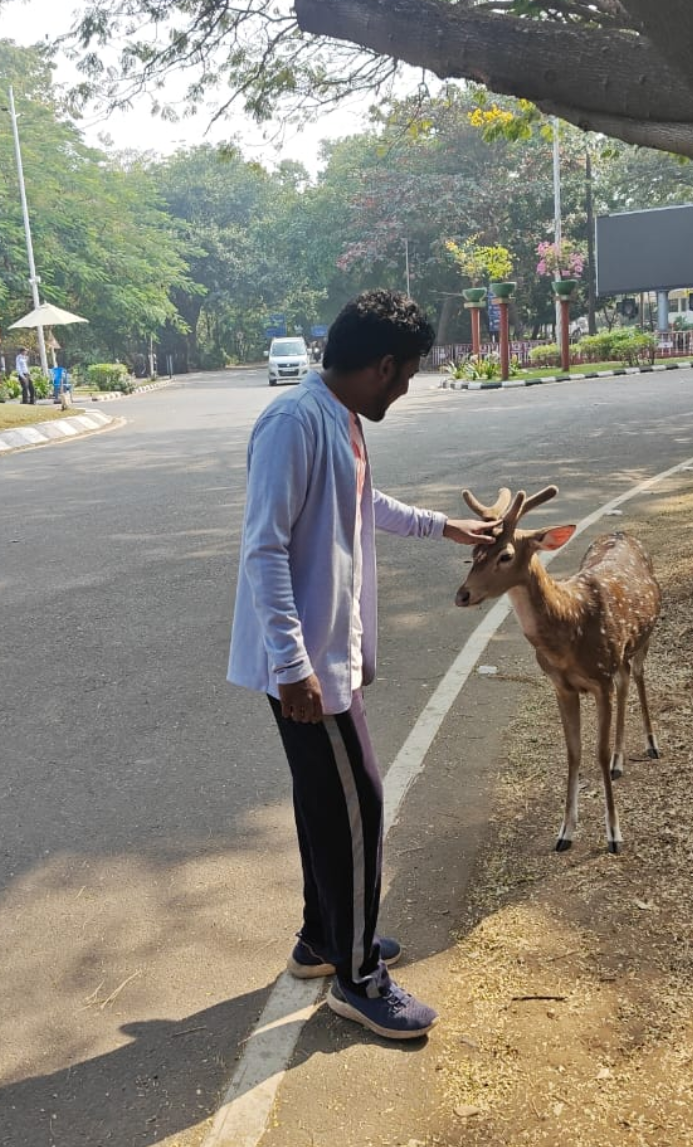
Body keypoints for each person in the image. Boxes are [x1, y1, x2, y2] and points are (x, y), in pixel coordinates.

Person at [228, 289, 500, 1041]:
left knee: (326, 798)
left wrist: (442, 525)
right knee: (359, 805)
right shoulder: (292, 421)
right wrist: (292, 664)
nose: (409, 387)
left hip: (318, 657)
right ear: (383, 366)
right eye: (408, 374)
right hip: (304, 663)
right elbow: (264, 547)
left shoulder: (334, 416)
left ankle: (324, 939)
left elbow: (359, 499)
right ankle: (357, 977)